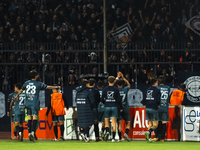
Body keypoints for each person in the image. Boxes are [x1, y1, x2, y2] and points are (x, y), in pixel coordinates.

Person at [14, 70, 60, 142]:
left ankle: (29, 133)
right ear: (35, 76)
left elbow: (21, 90)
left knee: (29, 117)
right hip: (34, 102)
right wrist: (56, 86)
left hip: (27, 103)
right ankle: (32, 132)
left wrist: (17, 96)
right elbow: (47, 87)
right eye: (37, 75)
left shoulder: (26, 83)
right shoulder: (38, 83)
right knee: (34, 117)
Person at [101, 76, 122, 142]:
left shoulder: (105, 89)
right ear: (114, 81)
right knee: (114, 123)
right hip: (114, 106)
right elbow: (119, 99)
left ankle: (107, 131)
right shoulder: (116, 89)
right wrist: (120, 107)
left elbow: (101, 99)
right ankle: (113, 138)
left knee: (106, 123)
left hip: (107, 106)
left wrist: (105, 102)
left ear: (108, 81)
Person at [116, 72, 131, 142]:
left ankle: (119, 138)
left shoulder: (115, 90)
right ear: (122, 84)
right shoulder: (125, 89)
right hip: (125, 108)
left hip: (118, 108)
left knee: (119, 123)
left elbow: (112, 84)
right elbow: (129, 84)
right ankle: (126, 133)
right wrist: (124, 78)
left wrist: (117, 77)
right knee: (128, 122)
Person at [155, 76, 170, 142]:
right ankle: (163, 138)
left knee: (156, 122)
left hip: (158, 107)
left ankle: (157, 137)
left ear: (158, 81)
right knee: (164, 122)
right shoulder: (168, 88)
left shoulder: (157, 88)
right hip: (165, 107)